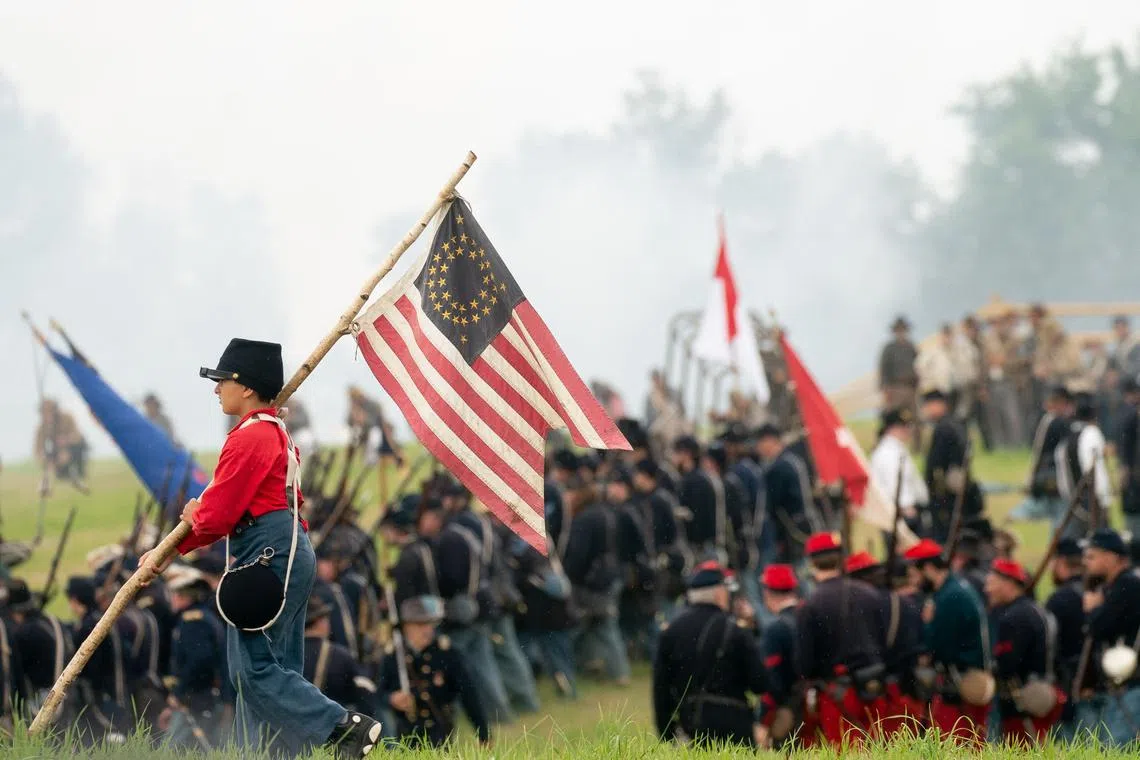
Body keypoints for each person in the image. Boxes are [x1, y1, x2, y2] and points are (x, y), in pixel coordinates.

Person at [138, 338, 383, 758]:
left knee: (250, 671)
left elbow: (218, 517)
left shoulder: (249, 437)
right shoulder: (272, 431)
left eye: (223, 381)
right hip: (281, 547)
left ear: (246, 387)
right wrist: (180, 540)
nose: (216, 389)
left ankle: (344, 728)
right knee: (276, 670)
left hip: (267, 551)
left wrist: (185, 526)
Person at [652, 561, 768, 747]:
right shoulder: (736, 630)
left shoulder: (671, 632)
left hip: (691, 725)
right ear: (720, 593)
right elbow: (760, 683)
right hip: (735, 728)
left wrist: (667, 734)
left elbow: (661, 690)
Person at [795, 533, 890, 748]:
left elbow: (805, 665)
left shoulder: (810, 604)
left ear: (811, 562)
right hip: (874, 687)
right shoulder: (870, 594)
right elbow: (883, 642)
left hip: (837, 694)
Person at [904, 538, 992, 746]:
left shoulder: (950, 597)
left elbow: (937, 646)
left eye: (915, 574)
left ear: (927, 568)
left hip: (959, 686)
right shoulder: (953, 590)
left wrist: (927, 624)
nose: (914, 581)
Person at [378, 595, 490, 749]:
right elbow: (379, 692)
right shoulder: (393, 656)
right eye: (419, 624)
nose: (427, 630)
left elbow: (469, 694)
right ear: (406, 627)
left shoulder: (446, 653)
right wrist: (391, 698)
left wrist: (483, 733)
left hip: (440, 731)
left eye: (429, 624)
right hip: (406, 733)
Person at [1073, 529, 1140, 747]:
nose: (1085, 562)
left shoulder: (1127, 585)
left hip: (1132, 683)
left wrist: (1092, 610)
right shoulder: (1116, 586)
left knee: (1118, 747)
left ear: (1111, 558)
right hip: (1121, 684)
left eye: (1092, 556)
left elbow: (1099, 628)